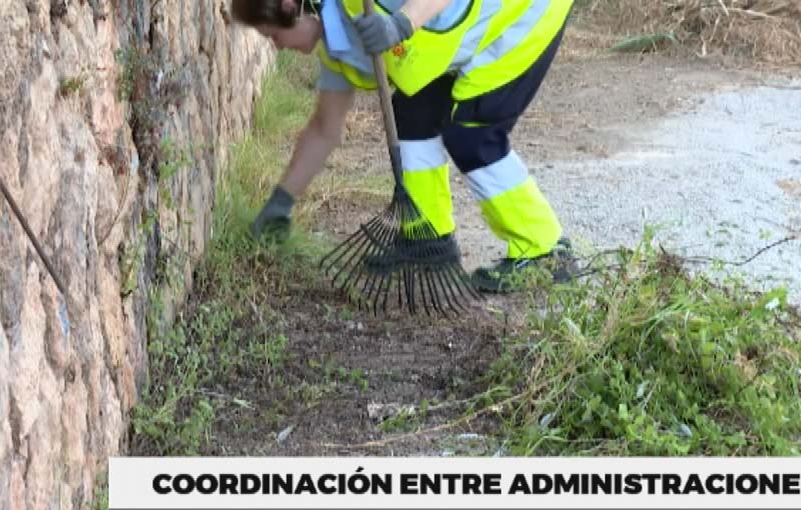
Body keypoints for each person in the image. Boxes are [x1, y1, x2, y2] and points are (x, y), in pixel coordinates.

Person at [231, 0, 574, 293]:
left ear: (291, 7)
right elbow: (324, 130)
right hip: (467, 32)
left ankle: (544, 250)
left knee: (473, 133)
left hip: (522, 14)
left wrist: (400, 23)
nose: (275, 46)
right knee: (412, 116)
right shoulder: (337, 49)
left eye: (272, 35)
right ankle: (427, 239)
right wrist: (281, 201)